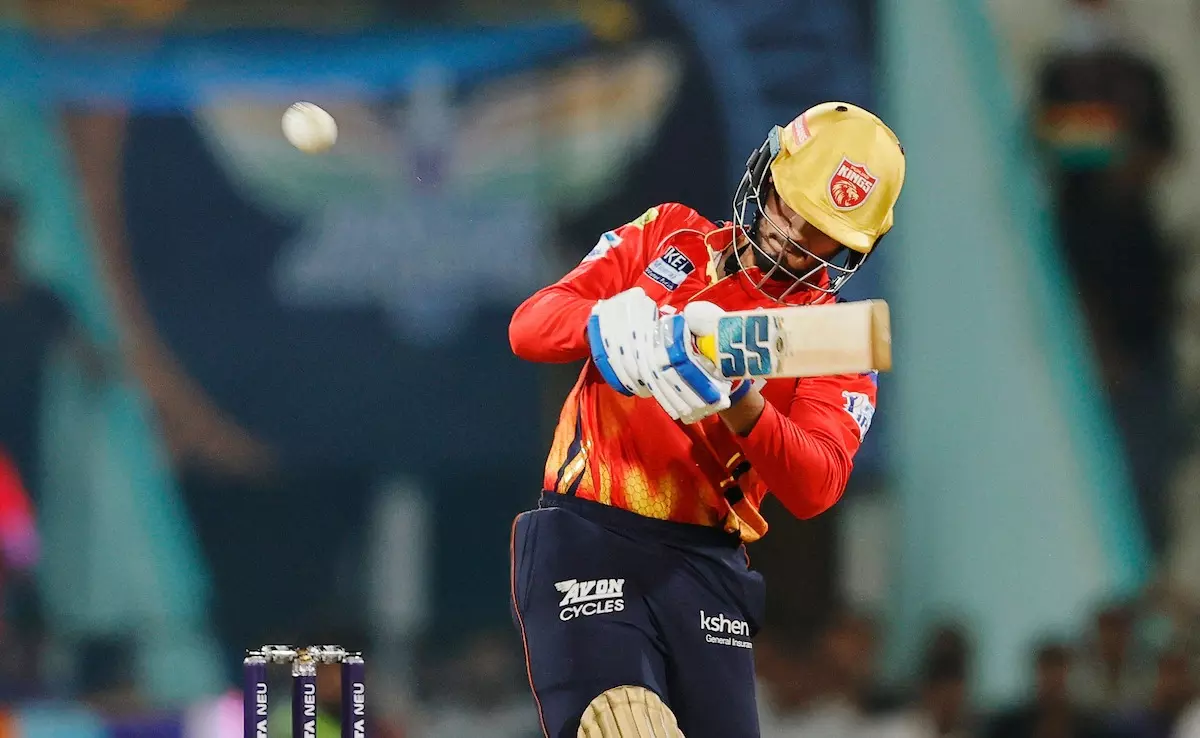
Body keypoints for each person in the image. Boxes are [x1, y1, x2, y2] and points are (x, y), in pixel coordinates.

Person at [507, 101, 906, 738]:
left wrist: (741, 401)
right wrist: (605, 324)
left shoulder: (832, 340)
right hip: (589, 536)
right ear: (765, 174)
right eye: (788, 206)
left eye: (819, 232)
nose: (791, 236)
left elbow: (816, 485)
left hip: (707, 568)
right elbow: (528, 327)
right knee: (623, 725)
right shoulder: (668, 236)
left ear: (853, 248)